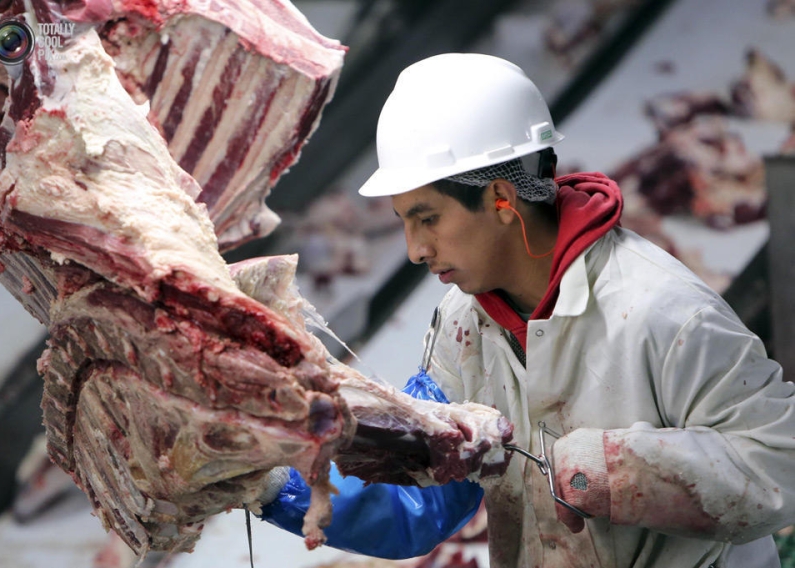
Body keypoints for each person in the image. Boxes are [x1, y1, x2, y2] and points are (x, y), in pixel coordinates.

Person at [256, 53, 795, 567]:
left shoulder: (663, 312)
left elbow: (778, 466)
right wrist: (270, 480)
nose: (415, 249)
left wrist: (613, 472)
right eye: (403, 221)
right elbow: (425, 499)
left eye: (427, 219)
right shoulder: (463, 323)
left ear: (500, 199)